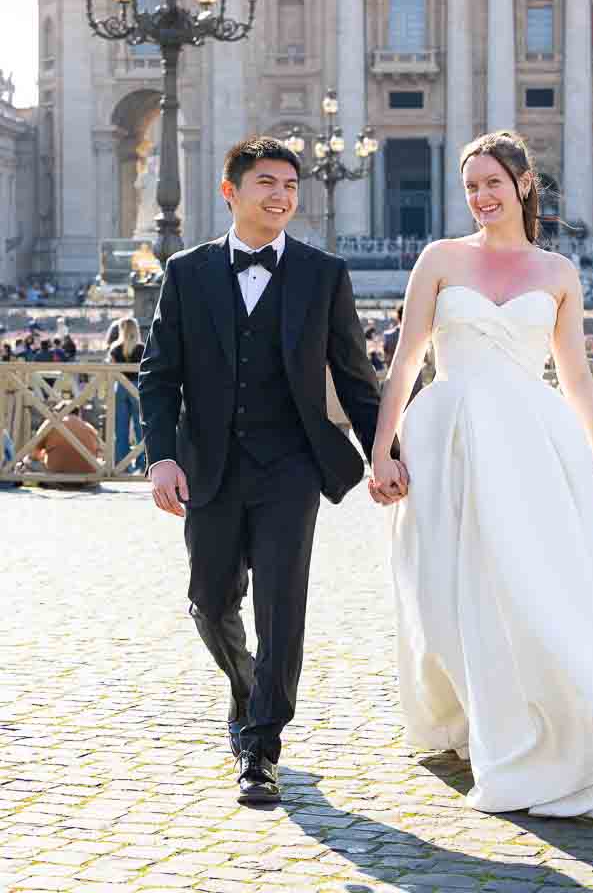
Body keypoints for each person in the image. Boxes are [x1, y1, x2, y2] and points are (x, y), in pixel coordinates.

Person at [369, 130, 593, 820]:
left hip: (529, 438)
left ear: (523, 185)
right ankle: (477, 711)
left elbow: (577, 376)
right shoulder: (439, 258)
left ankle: (544, 727)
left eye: (492, 182)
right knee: (442, 590)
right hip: (445, 437)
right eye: (471, 186)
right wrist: (382, 450)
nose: (481, 197)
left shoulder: (557, 272)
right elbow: (405, 361)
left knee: (534, 584)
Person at [139, 136, 399, 808]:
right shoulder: (188, 272)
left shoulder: (324, 274)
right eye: (267, 183)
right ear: (232, 192)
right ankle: (247, 685)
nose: (282, 194)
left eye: (290, 184)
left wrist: (382, 451)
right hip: (209, 466)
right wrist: (161, 455)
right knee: (210, 600)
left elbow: (356, 377)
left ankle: (261, 748)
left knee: (282, 607)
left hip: (291, 467)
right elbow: (159, 375)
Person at [15, 400, 102, 481]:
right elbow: (98, 454)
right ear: (79, 414)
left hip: (57, 476)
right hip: (87, 477)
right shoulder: (89, 427)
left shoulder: (51, 423)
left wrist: (44, 456)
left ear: (58, 412)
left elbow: (33, 454)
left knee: (27, 462)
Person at [108, 317, 145, 474]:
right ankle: (142, 463)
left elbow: (111, 369)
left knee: (120, 428)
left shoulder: (115, 348)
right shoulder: (142, 348)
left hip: (121, 387)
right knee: (140, 427)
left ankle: (122, 465)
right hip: (137, 388)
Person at [383, 303, 424, 402]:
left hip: (395, 380)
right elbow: (423, 359)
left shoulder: (388, 336)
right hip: (415, 381)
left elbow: (387, 359)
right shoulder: (418, 335)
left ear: (398, 316)